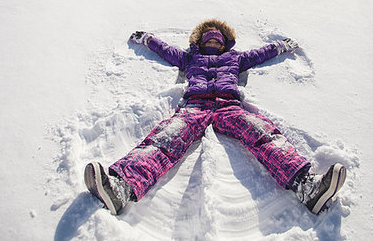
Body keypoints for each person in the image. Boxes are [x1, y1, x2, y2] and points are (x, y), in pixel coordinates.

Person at [84, 19, 346, 216]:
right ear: (200, 42)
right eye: (209, 40)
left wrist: (280, 46)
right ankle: (121, 188)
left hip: (229, 106)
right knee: (165, 140)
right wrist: (148, 39)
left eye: (217, 41)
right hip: (194, 106)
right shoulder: (190, 58)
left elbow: (260, 54)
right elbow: (166, 50)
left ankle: (307, 188)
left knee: (262, 133)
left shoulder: (235, 59)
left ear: (225, 43)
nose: (213, 43)